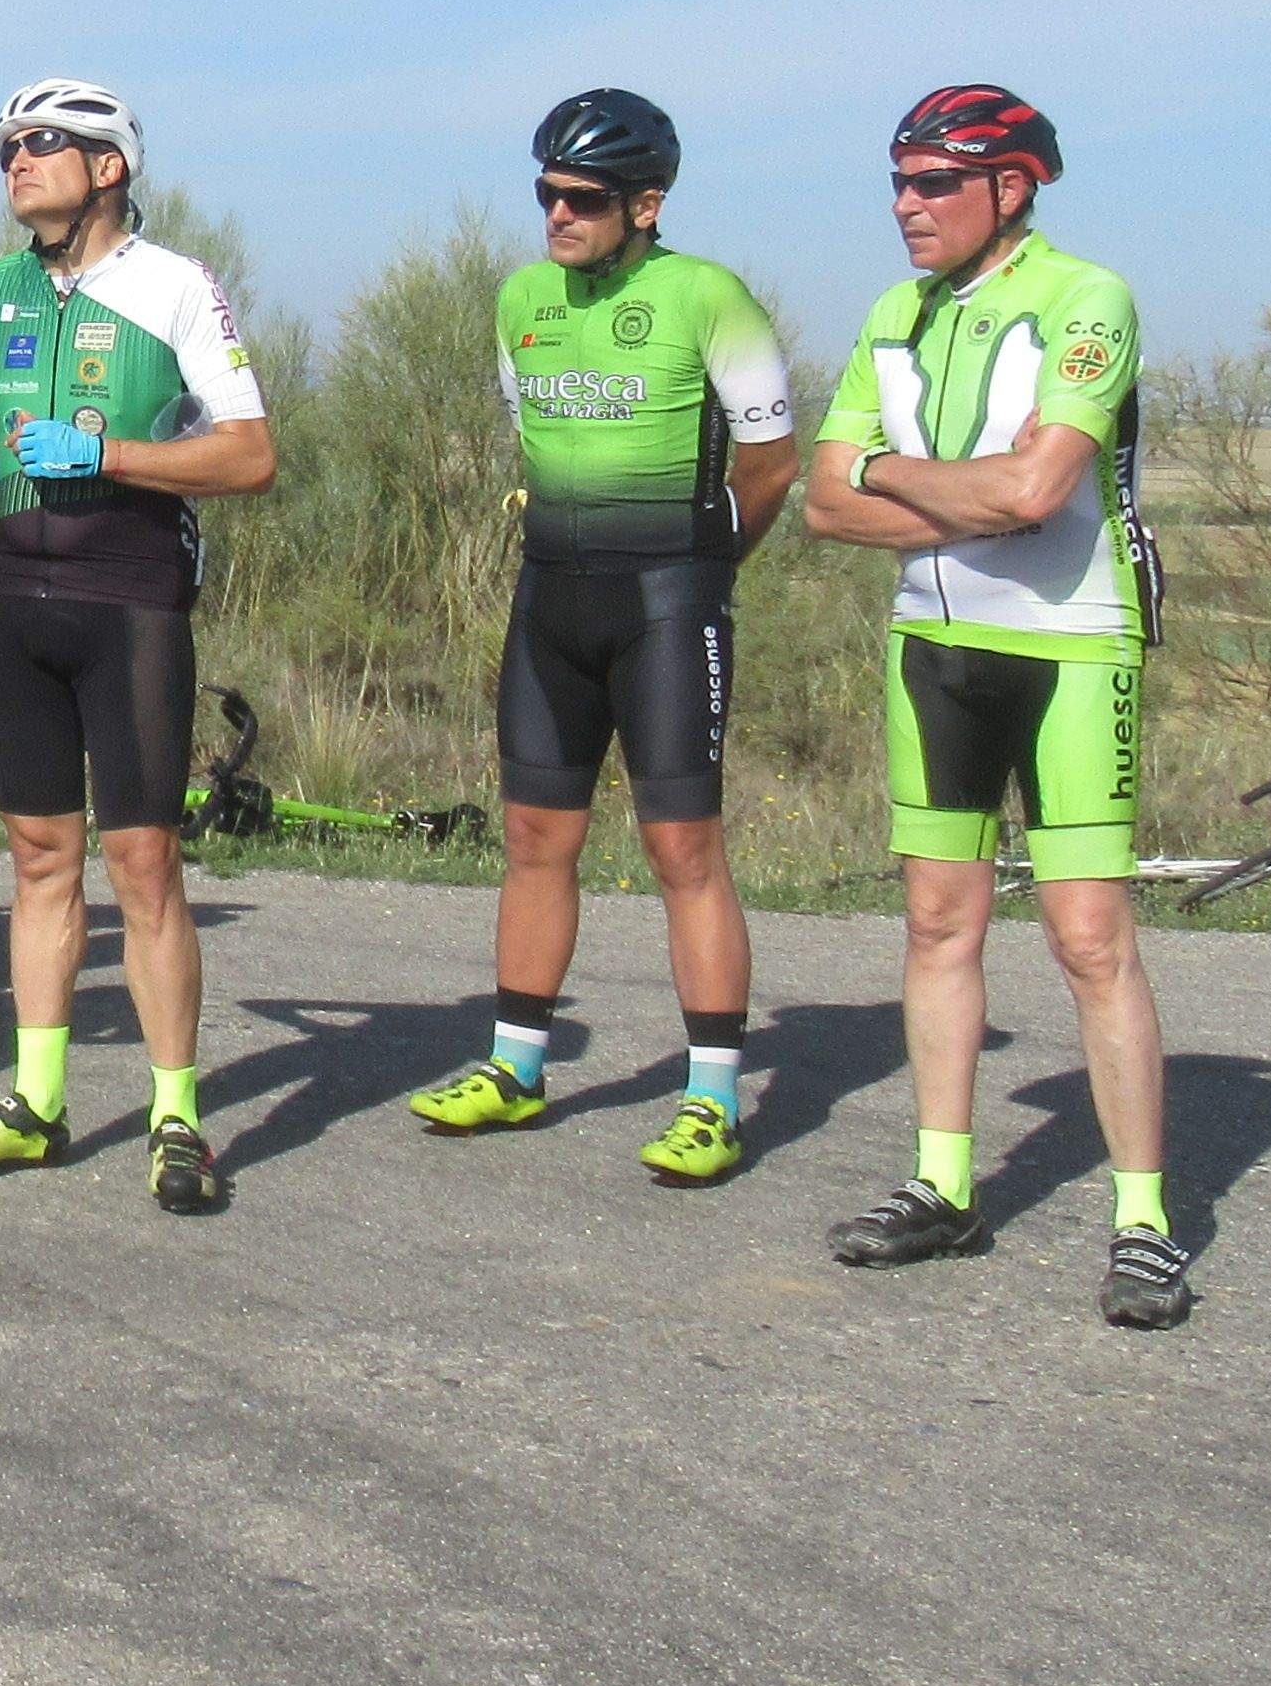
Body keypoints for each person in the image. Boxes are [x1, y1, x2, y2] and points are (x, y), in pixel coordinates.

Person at [0, 79, 272, 1214]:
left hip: (129, 593)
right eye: (7, 149)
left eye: (41, 143)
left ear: (109, 166)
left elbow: (247, 455)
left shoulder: (174, 285)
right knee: (37, 858)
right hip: (16, 591)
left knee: (145, 863)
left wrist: (111, 456)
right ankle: (38, 1104)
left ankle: (177, 1117)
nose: (16, 161)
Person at [797, 83, 1189, 1325]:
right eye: (898, 183)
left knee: (1089, 937)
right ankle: (944, 1185)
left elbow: (1035, 493)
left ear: (1011, 188)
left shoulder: (1088, 298)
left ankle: (1144, 1221)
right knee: (935, 923)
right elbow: (823, 505)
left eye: (934, 184)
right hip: (934, 642)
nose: (905, 207)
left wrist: (890, 472)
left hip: (1071, 646)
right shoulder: (895, 313)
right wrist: (933, 489)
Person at [397, 90, 802, 1179]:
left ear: (646, 204)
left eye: (582, 198)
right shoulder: (522, 297)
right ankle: (515, 1068)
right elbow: (530, 437)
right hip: (551, 601)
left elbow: (772, 465)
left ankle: (711, 1099)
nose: (558, 215)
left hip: (666, 603)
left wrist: (705, 574)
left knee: (683, 850)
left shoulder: (707, 295)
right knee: (535, 838)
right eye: (547, 194)